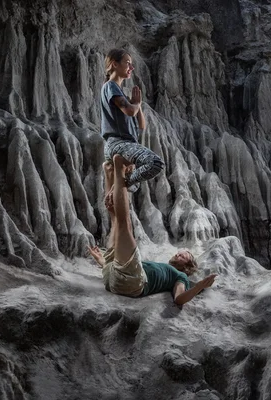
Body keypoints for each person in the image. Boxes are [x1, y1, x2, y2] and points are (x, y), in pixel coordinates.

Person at [88, 154, 217, 305]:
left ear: (188, 266)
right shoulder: (165, 268)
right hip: (113, 275)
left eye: (186, 254)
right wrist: (101, 260)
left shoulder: (181, 277)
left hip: (132, 282)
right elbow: (121, 269)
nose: (181, 252)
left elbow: (179, 299)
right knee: (115, 218)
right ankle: (109, 171)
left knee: (124, 223)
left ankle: (119, 169)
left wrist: (200, 286)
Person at [101, 48, 164, 193]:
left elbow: (141, 125)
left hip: (124, 143)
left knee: (135, 186)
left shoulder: (119, 92)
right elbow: (130, 110)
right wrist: (135, 105)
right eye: (128, 63)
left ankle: (119, 187)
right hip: (118, 143)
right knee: (155, 163)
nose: (131, 67)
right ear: (114, 64)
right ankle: (121, 184)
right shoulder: (111, 86)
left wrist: (138, 104)